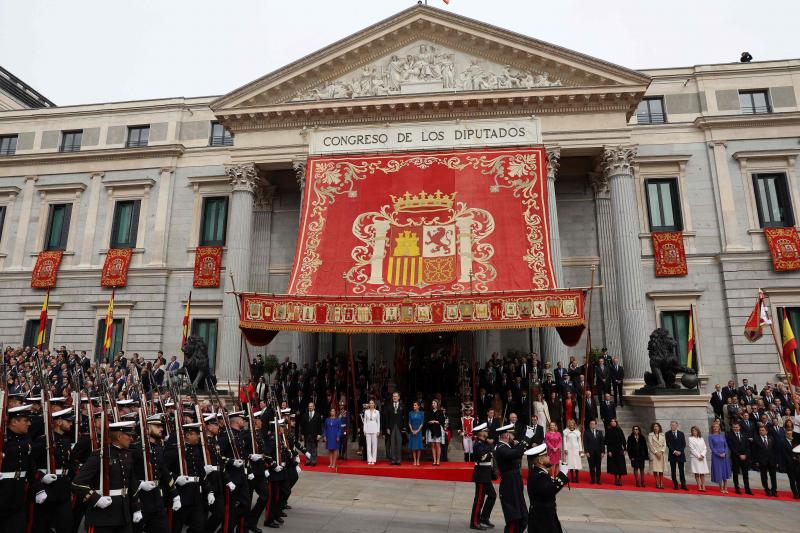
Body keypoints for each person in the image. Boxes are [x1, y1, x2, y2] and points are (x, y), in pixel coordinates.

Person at [72, 421, 143, 533]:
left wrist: (136, 508)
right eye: (129, 435)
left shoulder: (127, 454)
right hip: (102, 516)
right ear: (119, 436)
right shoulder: (100, 455)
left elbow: (132, 483)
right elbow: (77, 483)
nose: (131, 439)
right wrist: (96, 498)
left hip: (123, 514)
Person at [0, 405, 34, 533]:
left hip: (18, 495)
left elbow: (31, 467)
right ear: (14, 421)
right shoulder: (3, 439)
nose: (29, 423)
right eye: (25, 420)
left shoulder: (26, 440)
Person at [524, 443, 569, 533]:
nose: (549, 457)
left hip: (544, 514)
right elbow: (550, 491)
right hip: (542, 517)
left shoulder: (539, 473)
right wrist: (562, 475)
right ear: (540, 460)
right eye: (546, 456)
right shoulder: (539, 475)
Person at [494, 424, 531, 533]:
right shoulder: (501, 448)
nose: (513, 436)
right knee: (514, 518)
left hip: (514, 481)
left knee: (523, 517)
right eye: (511, 434)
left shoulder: (506, 446)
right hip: (509, 483)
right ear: (506, 435)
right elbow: (516, 454)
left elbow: (515, 452)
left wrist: (519, 444)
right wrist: (526, 438)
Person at [469, 423, 495, 531]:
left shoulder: (484, 443)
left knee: (492, 495)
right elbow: (483, 457)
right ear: (481, 433)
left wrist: (490, 448)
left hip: (486, 474)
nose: (487, 433)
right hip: (480, 475)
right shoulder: (478, 444)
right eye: (485, 431)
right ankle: (474, 522)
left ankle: (484, 517)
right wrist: (491, 451)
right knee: (479, 499)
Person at [725, 421, 752, 495]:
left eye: (737, 427)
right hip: (736, 457)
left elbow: (748, 446)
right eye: (734, 427)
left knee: (745, 474)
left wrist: (745, 455)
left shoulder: (745, 435)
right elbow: (732, 447)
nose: (735, 428)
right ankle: (737, 488)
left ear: (739, 427)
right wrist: (739, 455)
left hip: (745, 457)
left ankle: (747, 489)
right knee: (736, 473)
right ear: (732, 428)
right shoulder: (729, 435)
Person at [752, 424, 778, 496]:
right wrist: (756, 461)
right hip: (762, 461)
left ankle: (774, 490)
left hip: (772, 461)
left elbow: (775, 450)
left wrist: (776, 461)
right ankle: (767, 490)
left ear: (766, 431)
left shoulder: (771, 438)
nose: (761, 431)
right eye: (760, 430)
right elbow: (754, 451)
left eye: (763, 430)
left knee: (773, 476)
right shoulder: (756, 439)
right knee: (764, 477)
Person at [776, 419, 799, 498]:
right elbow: (783, 454)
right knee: (792, 480)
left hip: (797, 464)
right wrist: (792, 459)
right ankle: (795, 494)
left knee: (798, 480)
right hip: (789, 465)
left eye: (791, 433)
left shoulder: (795, 442)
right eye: (788, 433)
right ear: (785, 434)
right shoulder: (783, 442)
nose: (789, 434)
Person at [708, 421, 732, 494]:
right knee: (719, 472)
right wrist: (719, 454)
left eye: (717, 427)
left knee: (724, 471)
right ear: (712, 428)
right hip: (716, 456)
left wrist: (725, 453)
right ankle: (721, 487)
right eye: (714, 427)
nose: (715, 428)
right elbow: (712, 448)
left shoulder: (722, 435)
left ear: (719, 428)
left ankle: (725, 487)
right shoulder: (710, 436)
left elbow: (726, 446)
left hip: (724, 456)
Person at [384, 392, 405, 465]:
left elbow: (404, 418)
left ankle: (398, 460)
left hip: (399, 427)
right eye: (393, 396)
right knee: (392, 444)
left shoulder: (402, 406)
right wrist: (387, 428)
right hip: (391, 427)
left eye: (396, 396)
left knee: (399, 444)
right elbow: (387, 418)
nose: (394, 397)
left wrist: (404, 428)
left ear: (399, 397)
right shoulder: (389, 406)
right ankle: (393, 460)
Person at [665, 421, 688, 491]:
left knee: (681, 471)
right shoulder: (667, 433)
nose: (673, 426)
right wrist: (674, 451)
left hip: (681, 454)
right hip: (672, 454)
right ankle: (675, 484)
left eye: (674, 425)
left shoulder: (681, 433)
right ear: (670, 426)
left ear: (677, 426)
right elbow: (668, 444)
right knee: (673, 471)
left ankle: (683, 485)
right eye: (671, 425)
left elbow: (683, 444)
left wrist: (680, 451)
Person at [299, 402, 322, 466]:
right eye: (309, 406)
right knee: (307, 448)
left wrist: (319, 434)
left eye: (311, 406)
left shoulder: (317, 415)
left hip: (314, 434)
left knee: (314, 448)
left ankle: (314, 461)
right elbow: (302, 425)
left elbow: (319, 426)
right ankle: (308, 460)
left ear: (314, 407)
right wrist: (302, 434)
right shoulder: (305, 415)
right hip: (306, 435)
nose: (310, 407)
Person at [605, 418, 627, 486]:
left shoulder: (619, 430)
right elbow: (607, 442)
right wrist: (609, 451)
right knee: (614, 465)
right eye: (612, 421)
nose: (613, 422)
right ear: (610, 423)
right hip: (612, 450)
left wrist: (625, 449)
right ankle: (615, 479)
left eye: (614, 421)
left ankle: (620, 479)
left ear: (616, 422)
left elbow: (623, 440)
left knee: (620, 465)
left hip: (619, 450)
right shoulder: (608, 430)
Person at [687, 426, 709, 491]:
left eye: (695, 431)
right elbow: (692, 449)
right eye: (693, 431)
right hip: (695, 458)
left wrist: (702, 455)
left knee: (702, 473)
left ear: (698, 431)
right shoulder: (690, 438)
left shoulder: (701, 438)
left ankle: (703, 486)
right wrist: (699, 456)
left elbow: (705, 448)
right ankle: (699, 486)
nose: (694, 432)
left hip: (702, 457)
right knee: (697, 472)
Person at [562, 418, 583, 483]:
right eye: (570, 423)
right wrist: (565, 449)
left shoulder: (577, 432)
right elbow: (564, 441)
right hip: (569, 449)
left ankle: (577, 477)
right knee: (570, 463)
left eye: (572, 423)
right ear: (568, 424)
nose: (571, 424)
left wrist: (580, 450)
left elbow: (579, 441)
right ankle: (572, 478)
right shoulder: (566, 431)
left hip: (576, 449)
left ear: (574, 424)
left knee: (576, 463)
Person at [583, 419, 604, 485]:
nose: (592, 425)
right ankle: (592, 479)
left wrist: (602, 452)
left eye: (593, 424)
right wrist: (586, 452)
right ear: (589, 425)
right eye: (591, 424)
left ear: (596, 424)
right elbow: (585, 443)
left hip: (598, 452)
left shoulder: (599, 432)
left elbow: (602, 443)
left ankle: (598, 479)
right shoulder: (586, 432)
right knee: (591, 466)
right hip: (590, 452)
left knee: (598, 466)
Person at [426, 399, 446, 466]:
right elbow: (427, 420)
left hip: (437, 429)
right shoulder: (430, 412)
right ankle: (434, 460)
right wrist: (430, 421)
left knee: (438, 445)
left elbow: (442, 421)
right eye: (432, 403)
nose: (433, 404)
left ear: (437, 404)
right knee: (433, 445)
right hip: (431, 429)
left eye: (434, 403)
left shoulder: (440, 412)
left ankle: (438, 461)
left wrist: (435, 421)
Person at [647, 422, 666, 489]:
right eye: (654, 426)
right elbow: (650, 445)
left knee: (661, 469)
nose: (655, 428)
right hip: (654, 453)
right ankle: (657, 482)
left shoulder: (662, 435)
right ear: (653, 428)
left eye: (657, 426)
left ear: (659, 427)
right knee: (655, 469)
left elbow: (664, 445)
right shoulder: (650, 435)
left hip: (661, 453)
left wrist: (661, 452)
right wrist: (656, 452)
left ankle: (661, 482)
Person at [361, 400, 380, 465]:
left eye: (372, 403)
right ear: (369, 404)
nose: (371, 404)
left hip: (375, 429)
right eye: (370, 403)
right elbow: (365, 422)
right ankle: (369, 459)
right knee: (368, 445)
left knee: (374, 445)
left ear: (374, 404)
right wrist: (364, 430)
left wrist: (378, 431)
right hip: (368, 430)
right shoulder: (366, 412)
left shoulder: (377, 412)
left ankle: (373, 459)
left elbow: (378, 422)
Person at [408, 402, 424, 466]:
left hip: (419, 432)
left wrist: (417, 431)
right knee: (414, 447)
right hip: (412, 431)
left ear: (418, 406)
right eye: (413, 405)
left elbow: (422, 423)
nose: (414, 406)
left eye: (415, 405)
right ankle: (414, 460)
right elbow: (409, 422)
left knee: (419, 447)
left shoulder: (421, 413)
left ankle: (418, 461)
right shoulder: (410, 413)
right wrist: (412, 430)